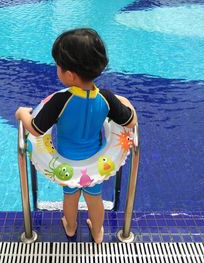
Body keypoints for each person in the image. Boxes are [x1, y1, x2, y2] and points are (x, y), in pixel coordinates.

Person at [15, 28, 137, 244]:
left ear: (69, 75)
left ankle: (70, 227)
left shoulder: (60, 101)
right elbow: (130, 121)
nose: (57, 69)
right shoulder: (107, 98)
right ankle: (97, 231)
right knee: (94, 198)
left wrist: (22, 114)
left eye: (58, 66)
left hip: (66, 163)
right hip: (96, 164)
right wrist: (129, 105)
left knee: (70, 198)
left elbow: (36, 129)